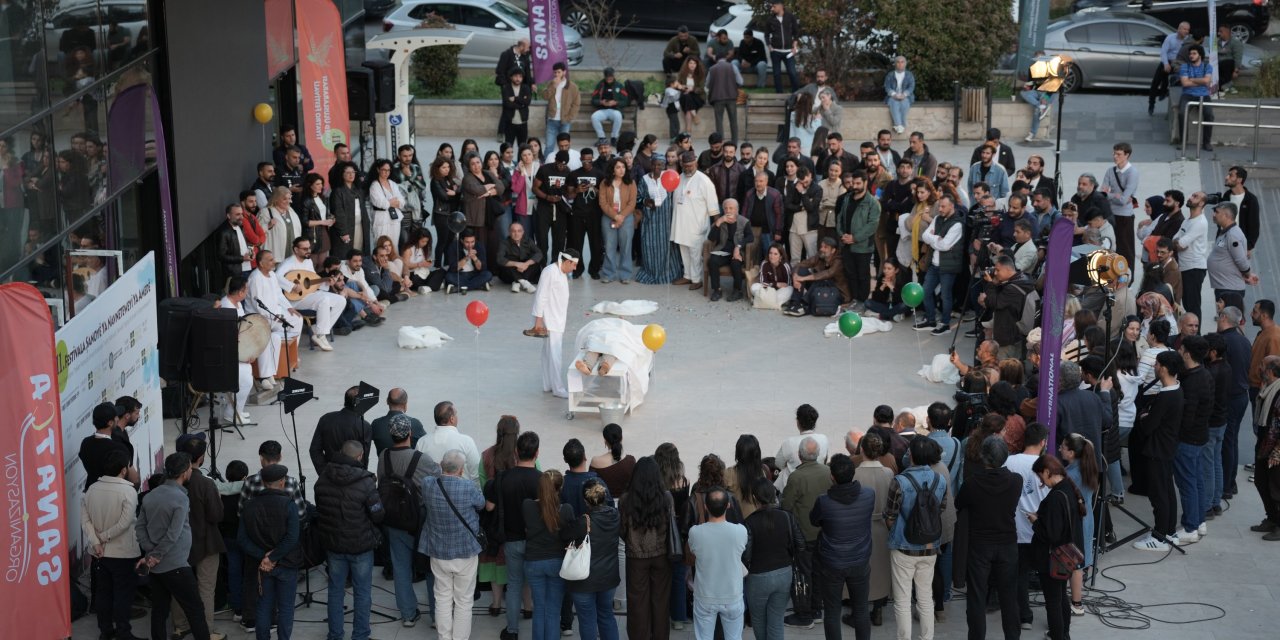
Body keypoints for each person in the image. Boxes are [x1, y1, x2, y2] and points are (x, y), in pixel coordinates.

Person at [137, 453, 212, 640]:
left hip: (156, 567)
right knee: (195, 610)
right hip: (176, 565)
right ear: (185, 472)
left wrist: (151, 553)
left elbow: (139, 527)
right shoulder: (180, 498)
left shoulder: (150, 495)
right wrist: (156, 555)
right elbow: (173, 534)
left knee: (159, 610)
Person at [315, 441, 383, 640]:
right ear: (360, 456)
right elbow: (378, 514)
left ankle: (335, 634)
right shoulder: (365, 482)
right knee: (362, 592)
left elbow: (320, 508)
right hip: (360, 546)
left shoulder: (323, 477)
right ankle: (360, 635)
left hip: (334, 544)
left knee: (335, 591)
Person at [379, 415, 440, 626]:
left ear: (391, 434)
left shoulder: (384, 455)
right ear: (410, 434)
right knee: (431, 568)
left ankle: (408, 614)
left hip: (394, 520)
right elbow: (438, 479)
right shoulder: (422, 459)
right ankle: (436, 616)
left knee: (401, 567)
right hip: (420, 522)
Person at [883, 437, 946, 640]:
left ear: (911, 455)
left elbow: (890, 514)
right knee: (925, 597)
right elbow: (941, 508)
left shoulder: (900, 481)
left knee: (902, 601)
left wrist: (896, 528)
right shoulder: (940, 480)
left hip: (903, 547)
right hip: (930, 546)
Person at [419, 450, 486, 640]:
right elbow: (481, 504)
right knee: (464, 601)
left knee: (442, 598)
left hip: (438, 550)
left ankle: (444, 637)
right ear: (462, 469)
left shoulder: (428, 484)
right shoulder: (468, 487)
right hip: (465, 551)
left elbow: (431, 477)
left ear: (441, 464)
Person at [807, 453, 873, 640]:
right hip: (860, 560)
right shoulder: (869, 495)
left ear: (832, 477)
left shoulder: (824, 501)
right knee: (861, 609)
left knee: (832, 611)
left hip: (832, 563)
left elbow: (814, 521)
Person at [81, 450, 141, 640]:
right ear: (123, 470)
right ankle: (124, 633)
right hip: (123, 553)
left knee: (103, 593)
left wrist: (96, 541)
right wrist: (104, 537)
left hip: (99, 553)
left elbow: (85, 520)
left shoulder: (92, 489)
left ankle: (105, 631)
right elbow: (125, 523)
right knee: (123, 595)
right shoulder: (129, 491)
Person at [237, 464, 301, 640]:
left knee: (263, 606)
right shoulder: (289, 505)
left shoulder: (249, 506)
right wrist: (273, 557)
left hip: (261, 566)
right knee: (286, 607)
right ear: (281, 483)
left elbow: (242, 539)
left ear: (264, 483)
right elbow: (292, 537)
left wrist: (265, 558)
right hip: (286, 564)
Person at [1131, 351, 1185, 551]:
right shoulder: (1176, 389)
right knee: (1167, 491)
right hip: (1167, 447)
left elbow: (1148, 426)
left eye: (1156, 364)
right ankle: (1169, 532)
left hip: (1158, 449)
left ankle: (1160, 537)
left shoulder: (1166, 395)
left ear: (1163, 368)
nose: (1154, 367)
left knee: (1158, 494)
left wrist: (1144, 416)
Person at [172, 438, 225, 640]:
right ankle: (206, 631)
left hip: (177, 544)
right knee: (206, 588)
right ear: (201, 458)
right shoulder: (206, 483)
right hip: (206, 542)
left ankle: (180, 626)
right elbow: (216, 515)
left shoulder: (167, 482)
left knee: (179, 587)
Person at [1028, 455, 1085, 640]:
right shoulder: (1069, 488)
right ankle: (1064, 633)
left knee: (1053, 602)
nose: (1041, 481)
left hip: (1052, 557)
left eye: (1040, 477)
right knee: (1061, 597)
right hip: (1068, 555)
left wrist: (1036, 521)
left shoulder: (1055, 498)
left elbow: (1050, 534)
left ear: (1047, 472)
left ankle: (1058, 635)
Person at [1002, 421, 1049, 629]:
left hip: (1015, 528)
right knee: (1048, 577)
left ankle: (1025, 617)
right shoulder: (1048, 464)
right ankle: (1055, 618)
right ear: (1043, 442)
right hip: (1041, 530)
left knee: (1019, 575)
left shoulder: (1009, 461)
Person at [781, 437, 832, 629]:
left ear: (800, 455)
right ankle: (817, 610)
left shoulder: (797, 477)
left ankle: (804, 614)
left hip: (804, 534)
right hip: (824, 532)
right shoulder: (827, 472)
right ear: (817, 454)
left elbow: (786, 506)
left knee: (803, 574)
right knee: (818, 572)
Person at [562, 479, 622, 640]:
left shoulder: (583, 521)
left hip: (583, 581)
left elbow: (564, 535)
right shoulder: (616, 515)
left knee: (587, 620)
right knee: (607, 615)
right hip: (608, 578)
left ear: (585, 501)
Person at [688, 487, 750, 639]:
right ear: (728, 505)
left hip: (705, 596)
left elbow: (692, 551)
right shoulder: (740, 531)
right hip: (732, 595)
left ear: (705, 507)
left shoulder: (695, 532)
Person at [525, 470, 578, 640]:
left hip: (533, 562)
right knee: (553, 611)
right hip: (557, 562)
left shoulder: (527, 506)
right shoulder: (566, 509)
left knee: (539, 608)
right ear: (560, 488)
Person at [1172, 335, 1214, 545]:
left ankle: (1190, 527)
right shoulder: (1204, 374)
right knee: (1196, 481)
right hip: (1199, 436)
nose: (1179, 352)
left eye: (1181, 350)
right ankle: (1199, 521)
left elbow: (1187, 416)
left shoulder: (1193, 380)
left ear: (1187, 354)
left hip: (1188, 440)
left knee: (1187, 483)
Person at [522, 249, 579, 397]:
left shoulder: (561, 273)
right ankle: (558, 389)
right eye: (574, 265)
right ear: (567, 262)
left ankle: (548, 384)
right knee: (555, 355)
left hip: (557, 319)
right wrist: (538, 321)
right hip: (550, 320)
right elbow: (540, 296)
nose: (575, 268)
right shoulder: (550, 272)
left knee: (548, 353)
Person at [275, 238, 346, 352]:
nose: (308, 251)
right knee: (324, 300)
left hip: (308, 295)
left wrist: (326, 282)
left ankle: (317, 331)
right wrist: (292, 286)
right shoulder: (288, 263)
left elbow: (313, 282)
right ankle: (320, 335)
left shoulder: (308, 262)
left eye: (309, 248)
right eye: (305, 249)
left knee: (341, 300)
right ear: (296, 250)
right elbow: (276, 277)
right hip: (294, 300)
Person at [913, 195, 964, 336]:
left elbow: (945, 245)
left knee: (945, 296)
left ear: (951, 206)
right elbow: (925, 236)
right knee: (925, 292)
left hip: (948, 266)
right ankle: (931, 320)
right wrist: (937, 239)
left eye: (943, 206)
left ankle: (945, 324)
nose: (940, 209)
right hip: (934, 264)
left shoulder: (957, 224)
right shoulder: (937, 219)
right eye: (939, 206)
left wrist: (933, 239)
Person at [671, 150, 720, 289]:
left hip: (697, 225)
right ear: (682, 165)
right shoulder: (679, 178)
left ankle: (697, 279)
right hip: (681, 224)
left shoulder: (704, 181)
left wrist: (716, 227)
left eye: (690, 166)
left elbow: (713, 207)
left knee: (695, 253)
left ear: (696, 164)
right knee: (684, 250)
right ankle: (687, 276)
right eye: (685, 166)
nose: (688, 168)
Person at [837, 170, 880, 310]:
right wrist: (842, 235)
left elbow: (872, 225)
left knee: (863, 275)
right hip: (846, 244)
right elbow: (840, 217)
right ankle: (854, 299)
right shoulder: (847, 198)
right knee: (850, 274)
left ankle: (862, 301)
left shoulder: (872, 203)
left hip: (862, 246)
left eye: (858, 183)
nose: (854, 186)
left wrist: (855, 238)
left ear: (865, 183)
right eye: (853, 183)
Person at [309, 385, 373, 471]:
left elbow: (314, 450)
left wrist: (324, 471)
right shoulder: (364, 426)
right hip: (354, 475)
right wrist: (361, 475)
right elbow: (364, 458)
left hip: (330, 472)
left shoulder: (326, 418)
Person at [417, 401, 482, 484]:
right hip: (461, 490)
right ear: (452, 419)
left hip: (431, 491)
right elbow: (476, 475)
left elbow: (418, 473)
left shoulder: (422, 442)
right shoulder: (466, 441)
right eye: (456, 414)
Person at [1251, 356, 1280, 540]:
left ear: (1269, 371)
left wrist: (1277, 451)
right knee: (1261, 481)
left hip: (1275, 448)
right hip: (1264, 443)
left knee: (1276, 487)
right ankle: (1272, 518)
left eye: (1261, 365)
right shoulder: (1267, 388)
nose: (1258, 368)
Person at [599, 157, 636, 284]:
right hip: (608, 217)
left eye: (623, 167)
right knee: (609, 246)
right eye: (618, 167)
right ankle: (608, 274)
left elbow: (632, 203)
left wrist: (621, 216)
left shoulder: (631, 182)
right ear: (612, 170)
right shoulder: (605, 183)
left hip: (627, 218)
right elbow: (603, 203)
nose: (622, 170)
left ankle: (625, 274)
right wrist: (616, 216)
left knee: (626, 246)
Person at [1101, 142, 1139, 266]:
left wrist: (1110, 195)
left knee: (1125, 249)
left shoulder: (1132, 173)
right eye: (1114, 153)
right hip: (1110, 214)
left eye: (1118, 154)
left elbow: (1123, 200)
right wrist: (1114, 196)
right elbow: (1102, 194)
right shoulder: (1110, 171)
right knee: (1109, 246)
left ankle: (1127, 275)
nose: (1115, 156)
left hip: (1124, 216)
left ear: (1127, 155)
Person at [1179, 45, 1214, 152]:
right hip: (1188, 94)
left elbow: (1207, 81)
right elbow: (1185, 83)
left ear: (1200, 55)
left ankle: (1206, 143)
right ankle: (1183, 142)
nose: (1191, 56)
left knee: (1209, 115)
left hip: (1204, 95)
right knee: (1182, 114)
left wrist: (1192, 79)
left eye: (1194, 53)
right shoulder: (1185, 66)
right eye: (1190, 54)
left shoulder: (1207, 66)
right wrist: (1201, 81)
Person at [370, 388, 427, 456]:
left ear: (387, 401)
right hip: (409, 462)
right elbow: (426, 443)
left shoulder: (376, 424)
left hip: (384, 462)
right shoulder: (414, 423)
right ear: (405, 403)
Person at [497, 220, 543, 292]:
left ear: (523, 232)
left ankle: (517, 282)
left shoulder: (528, 240)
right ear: (509, 232)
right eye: (513, 231)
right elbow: (499, 259)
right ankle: (524, 282)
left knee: (535, 260)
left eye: (519, 231)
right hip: (510, 274)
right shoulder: (504, 243)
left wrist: (526, 264)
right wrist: (516, 264)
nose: (516, 234)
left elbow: (539, 253)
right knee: (508, 260)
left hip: (525, 271)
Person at [541, 62, 579, 151]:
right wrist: (554, 86)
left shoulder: (572, 86)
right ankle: (547, 160)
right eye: (555, 72)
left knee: (564, 146)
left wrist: (570, 117)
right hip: (552, 119)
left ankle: (564, 159)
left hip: (565, 120)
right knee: (549, 145)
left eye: (559, 72)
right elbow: (545, 97)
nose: (557, 74)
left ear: (564, 72)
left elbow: (576, 103)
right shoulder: (551, 83)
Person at [764, 0, 800, 92]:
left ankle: (796, 93)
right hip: (775, 51)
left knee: (792, 72)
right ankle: (779, 94)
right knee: (776, 74)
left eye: (774, 6)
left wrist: (795, 46)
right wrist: (769, 46)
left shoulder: (790, 17)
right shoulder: (770, 19)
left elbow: (796, 32)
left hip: (788, 51)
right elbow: (766, 34)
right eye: (771, 7)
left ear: (780, 6)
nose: (772, 9)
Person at [443, 228, 494, 293]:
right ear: (462, 241)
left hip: (475, 274)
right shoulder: (453, 246)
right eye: (467, 242)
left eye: (472, 242)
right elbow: (453, 268)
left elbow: (482, 268)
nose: (470, 245)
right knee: (449, 277)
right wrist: (466, 257)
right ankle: (478, 286)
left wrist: (475, 258)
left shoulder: (479, 246)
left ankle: (458, 288)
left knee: (488, 275)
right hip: (459, 275)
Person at [590, 68, 631, 145]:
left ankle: (614, 138)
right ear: (605, 76)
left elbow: (626, 101)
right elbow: (593, 100)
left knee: (618, 116)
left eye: (610, 76)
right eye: (607, 77)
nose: (609, 78)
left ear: (613, 76)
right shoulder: (600, 85)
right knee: (594, 117)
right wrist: (601, 102)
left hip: (615, 109)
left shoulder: (619, 85)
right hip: (603, 109)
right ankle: (602, 138)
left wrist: (616, 102)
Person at [707, 56, 742, 143]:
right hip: (731, 97)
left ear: (716, 59)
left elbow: (707, 84)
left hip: (717, 98)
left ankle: (720, 142)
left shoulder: (712, 69)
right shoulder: (732, 66)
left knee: (719, 121)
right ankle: (734, 142)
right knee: (733, 120)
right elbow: (740, 81)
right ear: (725, 59)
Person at [501, 68, 533, 145]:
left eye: (520, 76)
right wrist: (522, 103)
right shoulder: (506, 88)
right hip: (510, 122)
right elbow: (507, 104)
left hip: (523, 122)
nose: (518, 79)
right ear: (511, 77)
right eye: (516, 76)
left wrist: (515, 98)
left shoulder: (526, 88)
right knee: (508, 146)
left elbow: (527, 102)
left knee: (523, 146)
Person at [884, 56, 915, 134]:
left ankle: (899, 125)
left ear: (905, 64)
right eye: (898, 62)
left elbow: (911, 87)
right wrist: (894, 94)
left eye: (902, 62)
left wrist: (904, 94)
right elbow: (887, 87)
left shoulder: (909, 75)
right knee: (894, 103)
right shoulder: (890, 75)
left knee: (904, 103)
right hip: (893, 96)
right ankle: (899, 125)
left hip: (906, 96)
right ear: (895, 64)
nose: (900, 64)